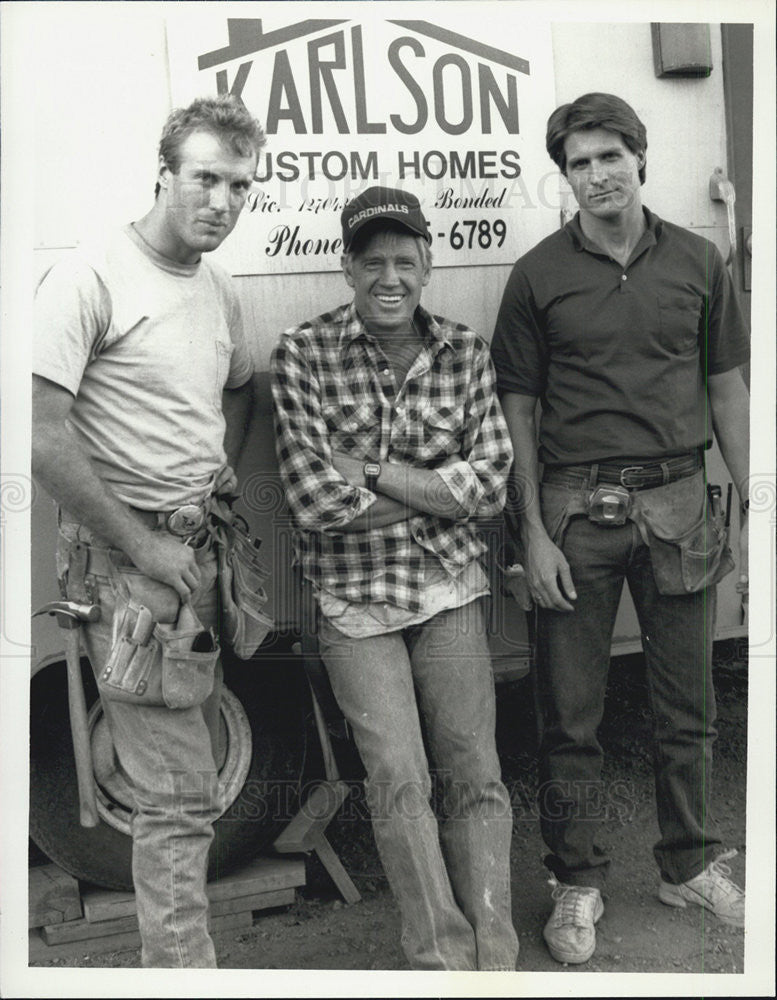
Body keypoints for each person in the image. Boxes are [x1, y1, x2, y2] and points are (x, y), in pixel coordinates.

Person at [491, 92, 750, 966]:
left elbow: (725, 388)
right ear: (563, 178)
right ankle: (576, 882)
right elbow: (516, 413)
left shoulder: (697, 260)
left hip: (680, 503)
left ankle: (689, 861)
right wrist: (528, 530)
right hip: (573, 510)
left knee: (690, 703)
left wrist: (754, 499)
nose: (595, 175)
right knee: (569, 715)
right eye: (577, 164)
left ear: (640, 159)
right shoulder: (536, 275)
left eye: (608, 156)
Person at [32, 95, 265, 968]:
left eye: (240, 185)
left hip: (195, 560)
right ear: (163, 174)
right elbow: (38, 433)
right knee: (174, 797)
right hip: (129, 577)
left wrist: (219, 480)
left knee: (188, 780)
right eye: (205, 178)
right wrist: (143, 545)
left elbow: (243, 385)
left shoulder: (218, 288)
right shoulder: (91, 274)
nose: (222, 201)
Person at [271, 186, 519, 971]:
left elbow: (491, 488)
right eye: (371, 261)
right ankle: (439, 959)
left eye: (404, 261)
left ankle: (495, 951)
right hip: (354, 603)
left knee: (475, 770)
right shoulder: (302, 352)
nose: (389, 276)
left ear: (427, 266)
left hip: (449, 590)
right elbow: (313, 503)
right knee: (399, 780)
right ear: (346, 267)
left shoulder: (465, 350)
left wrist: (372, 472)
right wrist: (435, 494)